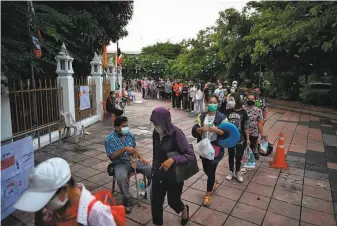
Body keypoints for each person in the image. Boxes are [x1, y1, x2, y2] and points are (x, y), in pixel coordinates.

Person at [14, 158, 118, 225]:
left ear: (65, 189)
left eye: (46, 200)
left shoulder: (98, 214)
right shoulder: (47, 209)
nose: (44, 207)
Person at [150, 107, 194, 226]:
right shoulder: (156, 132)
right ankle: (157, 223)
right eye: (154, 123)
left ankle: (184, 210)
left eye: (157, 123)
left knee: (173, 201)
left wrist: (173, 159)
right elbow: (156, 152)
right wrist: (154, 169)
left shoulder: (176, 133)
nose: (155, 126)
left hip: (174, 174)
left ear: (165, 121)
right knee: (156, 201)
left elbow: (189, 154)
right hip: (158, 172)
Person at [105, 116, 152, 213]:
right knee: (121, 178)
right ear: (117, 128)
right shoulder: (109, 139)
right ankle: (127, 200)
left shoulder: (130, 134)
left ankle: (149, 193)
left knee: (151, 169)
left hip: (133, 160)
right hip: (120, 163)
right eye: (124, 126)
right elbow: (112, 156)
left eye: (127, 125)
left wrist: (141, 157)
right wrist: (124, 149)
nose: (126, 128)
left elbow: (134, 149)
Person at [192, 95, 229, 207]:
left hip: (216, 147)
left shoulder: (222, 118)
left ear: (218, 104)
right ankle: (212, 181)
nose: (212, 104)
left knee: (211, 170)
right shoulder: (201, 116)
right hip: (204, 147)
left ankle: (208, 195)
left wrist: (216, 130)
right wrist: (200, 129)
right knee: (206, 169)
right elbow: (194, 129)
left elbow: (226, 133)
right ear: (207, 103)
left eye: (214, 102)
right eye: (210, 102)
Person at [225, 93, 250, 183]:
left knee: (238, 156)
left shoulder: (243, 112)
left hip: (240, 138)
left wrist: (248, 139)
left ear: (236, 100)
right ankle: (231, 171)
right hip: (230, 138)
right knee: (231, 155)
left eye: (231, 100)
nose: (229, 102)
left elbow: (246, 127)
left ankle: (238, 172)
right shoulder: (228, 111)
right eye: (229, 100)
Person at [245, 93, 265, 160]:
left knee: (251, 147)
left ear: (255, 100)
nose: (250, 100)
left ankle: (249, 160)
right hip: (244, 132)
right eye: (249, 99)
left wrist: (262, 133)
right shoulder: (243, 109)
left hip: (254, 133)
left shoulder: (258, 110)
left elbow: (260, 123)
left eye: (252, 99)